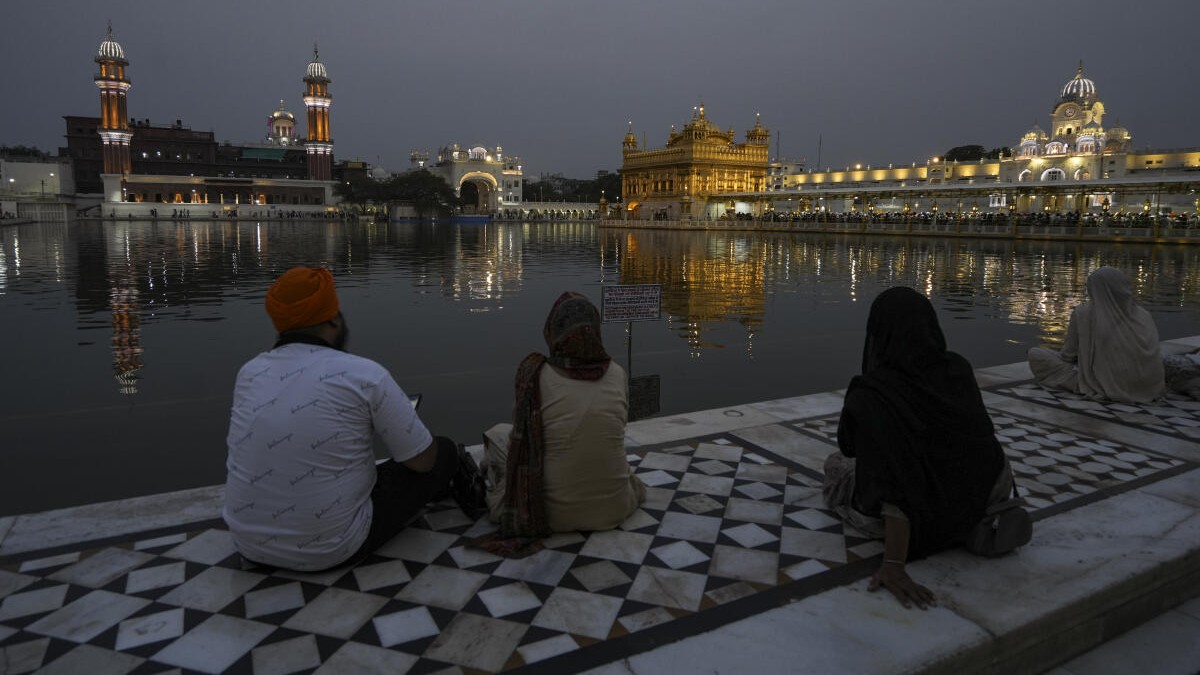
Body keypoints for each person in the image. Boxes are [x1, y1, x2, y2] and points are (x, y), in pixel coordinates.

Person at [223, 265, 483, 572]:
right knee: (442, 452)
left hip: (248, 544)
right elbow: (422, 462)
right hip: (333, 548)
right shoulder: (364, 375)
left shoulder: (250, 373)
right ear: (333, 318)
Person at [823, 287, 1012, 610]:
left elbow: (872, 464)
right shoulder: (958, 368)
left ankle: (935, 523)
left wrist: (894, 563)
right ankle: (959, 521)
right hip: (979, 496)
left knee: (836, 466)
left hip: (915, 514)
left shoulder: (872, 394)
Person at [478, 291, 646, 556]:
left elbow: (519, 442)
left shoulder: (535, 374)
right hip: (615, 508)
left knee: (498, 435)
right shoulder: (618, 373)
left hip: (549, 514)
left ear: (553, 332)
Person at [1028, 266, 1164, 403]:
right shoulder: (1143, 315)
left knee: (1036, 354)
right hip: (1148, 386)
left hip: (1104, 383)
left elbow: (1068, 355)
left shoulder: (1084, 313)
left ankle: (1093, 384)